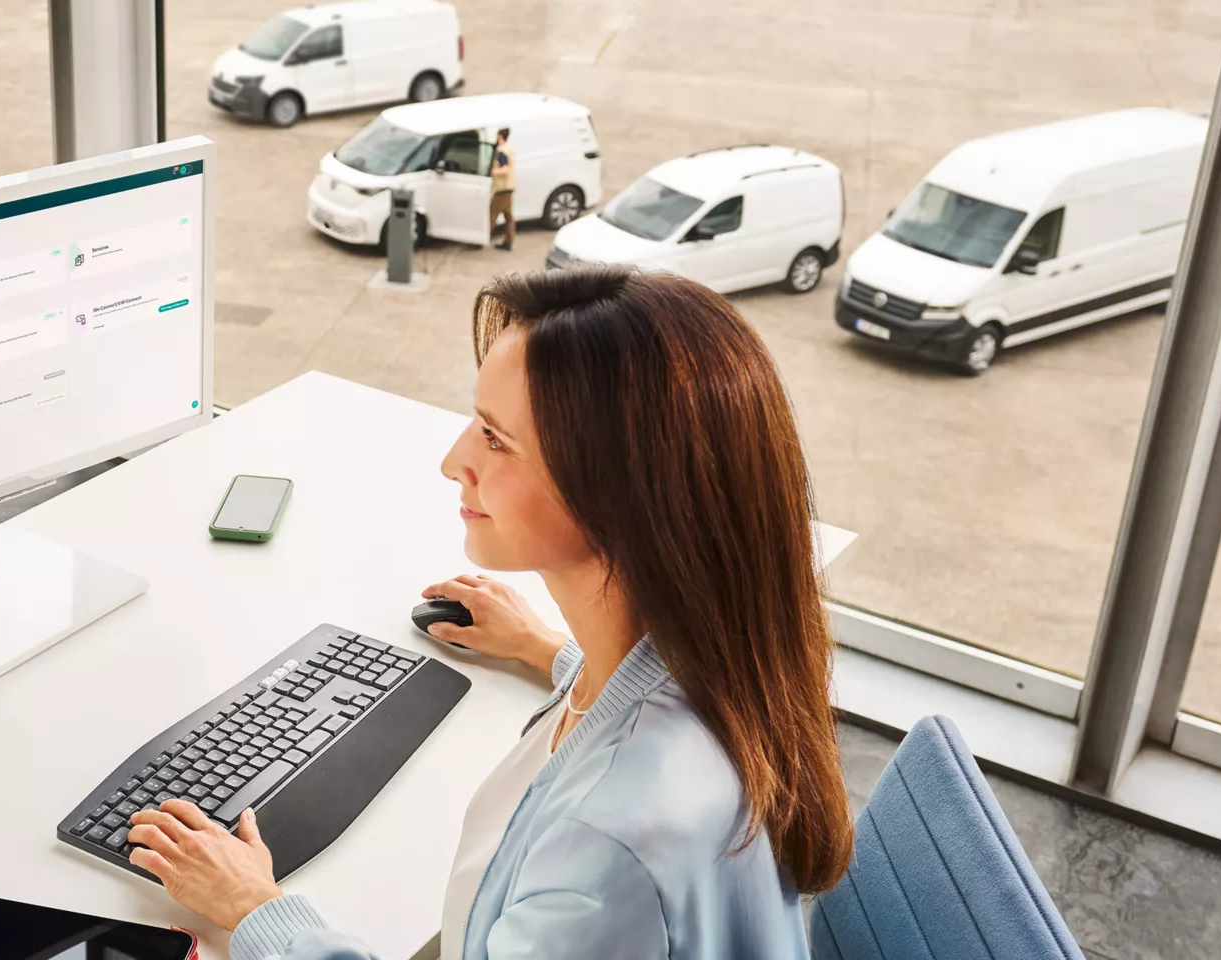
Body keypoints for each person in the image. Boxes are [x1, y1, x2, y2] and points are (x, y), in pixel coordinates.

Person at [126, 265, 853, 960]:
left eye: (496, 439)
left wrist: (257, 910)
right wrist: (549, 649)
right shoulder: (723, 658)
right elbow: (642, 714)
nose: (454, 461)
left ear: (620, 495)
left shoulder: (605, 848)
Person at [489, 128, 515, 251]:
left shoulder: (501, 151)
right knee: (508, 216)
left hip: (502, 188)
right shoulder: (508, 149)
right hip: (509, 187)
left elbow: (505, 170)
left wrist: (491, 171)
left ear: (499, 136)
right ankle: (509, 241)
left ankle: (481, 238)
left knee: (491, 214)